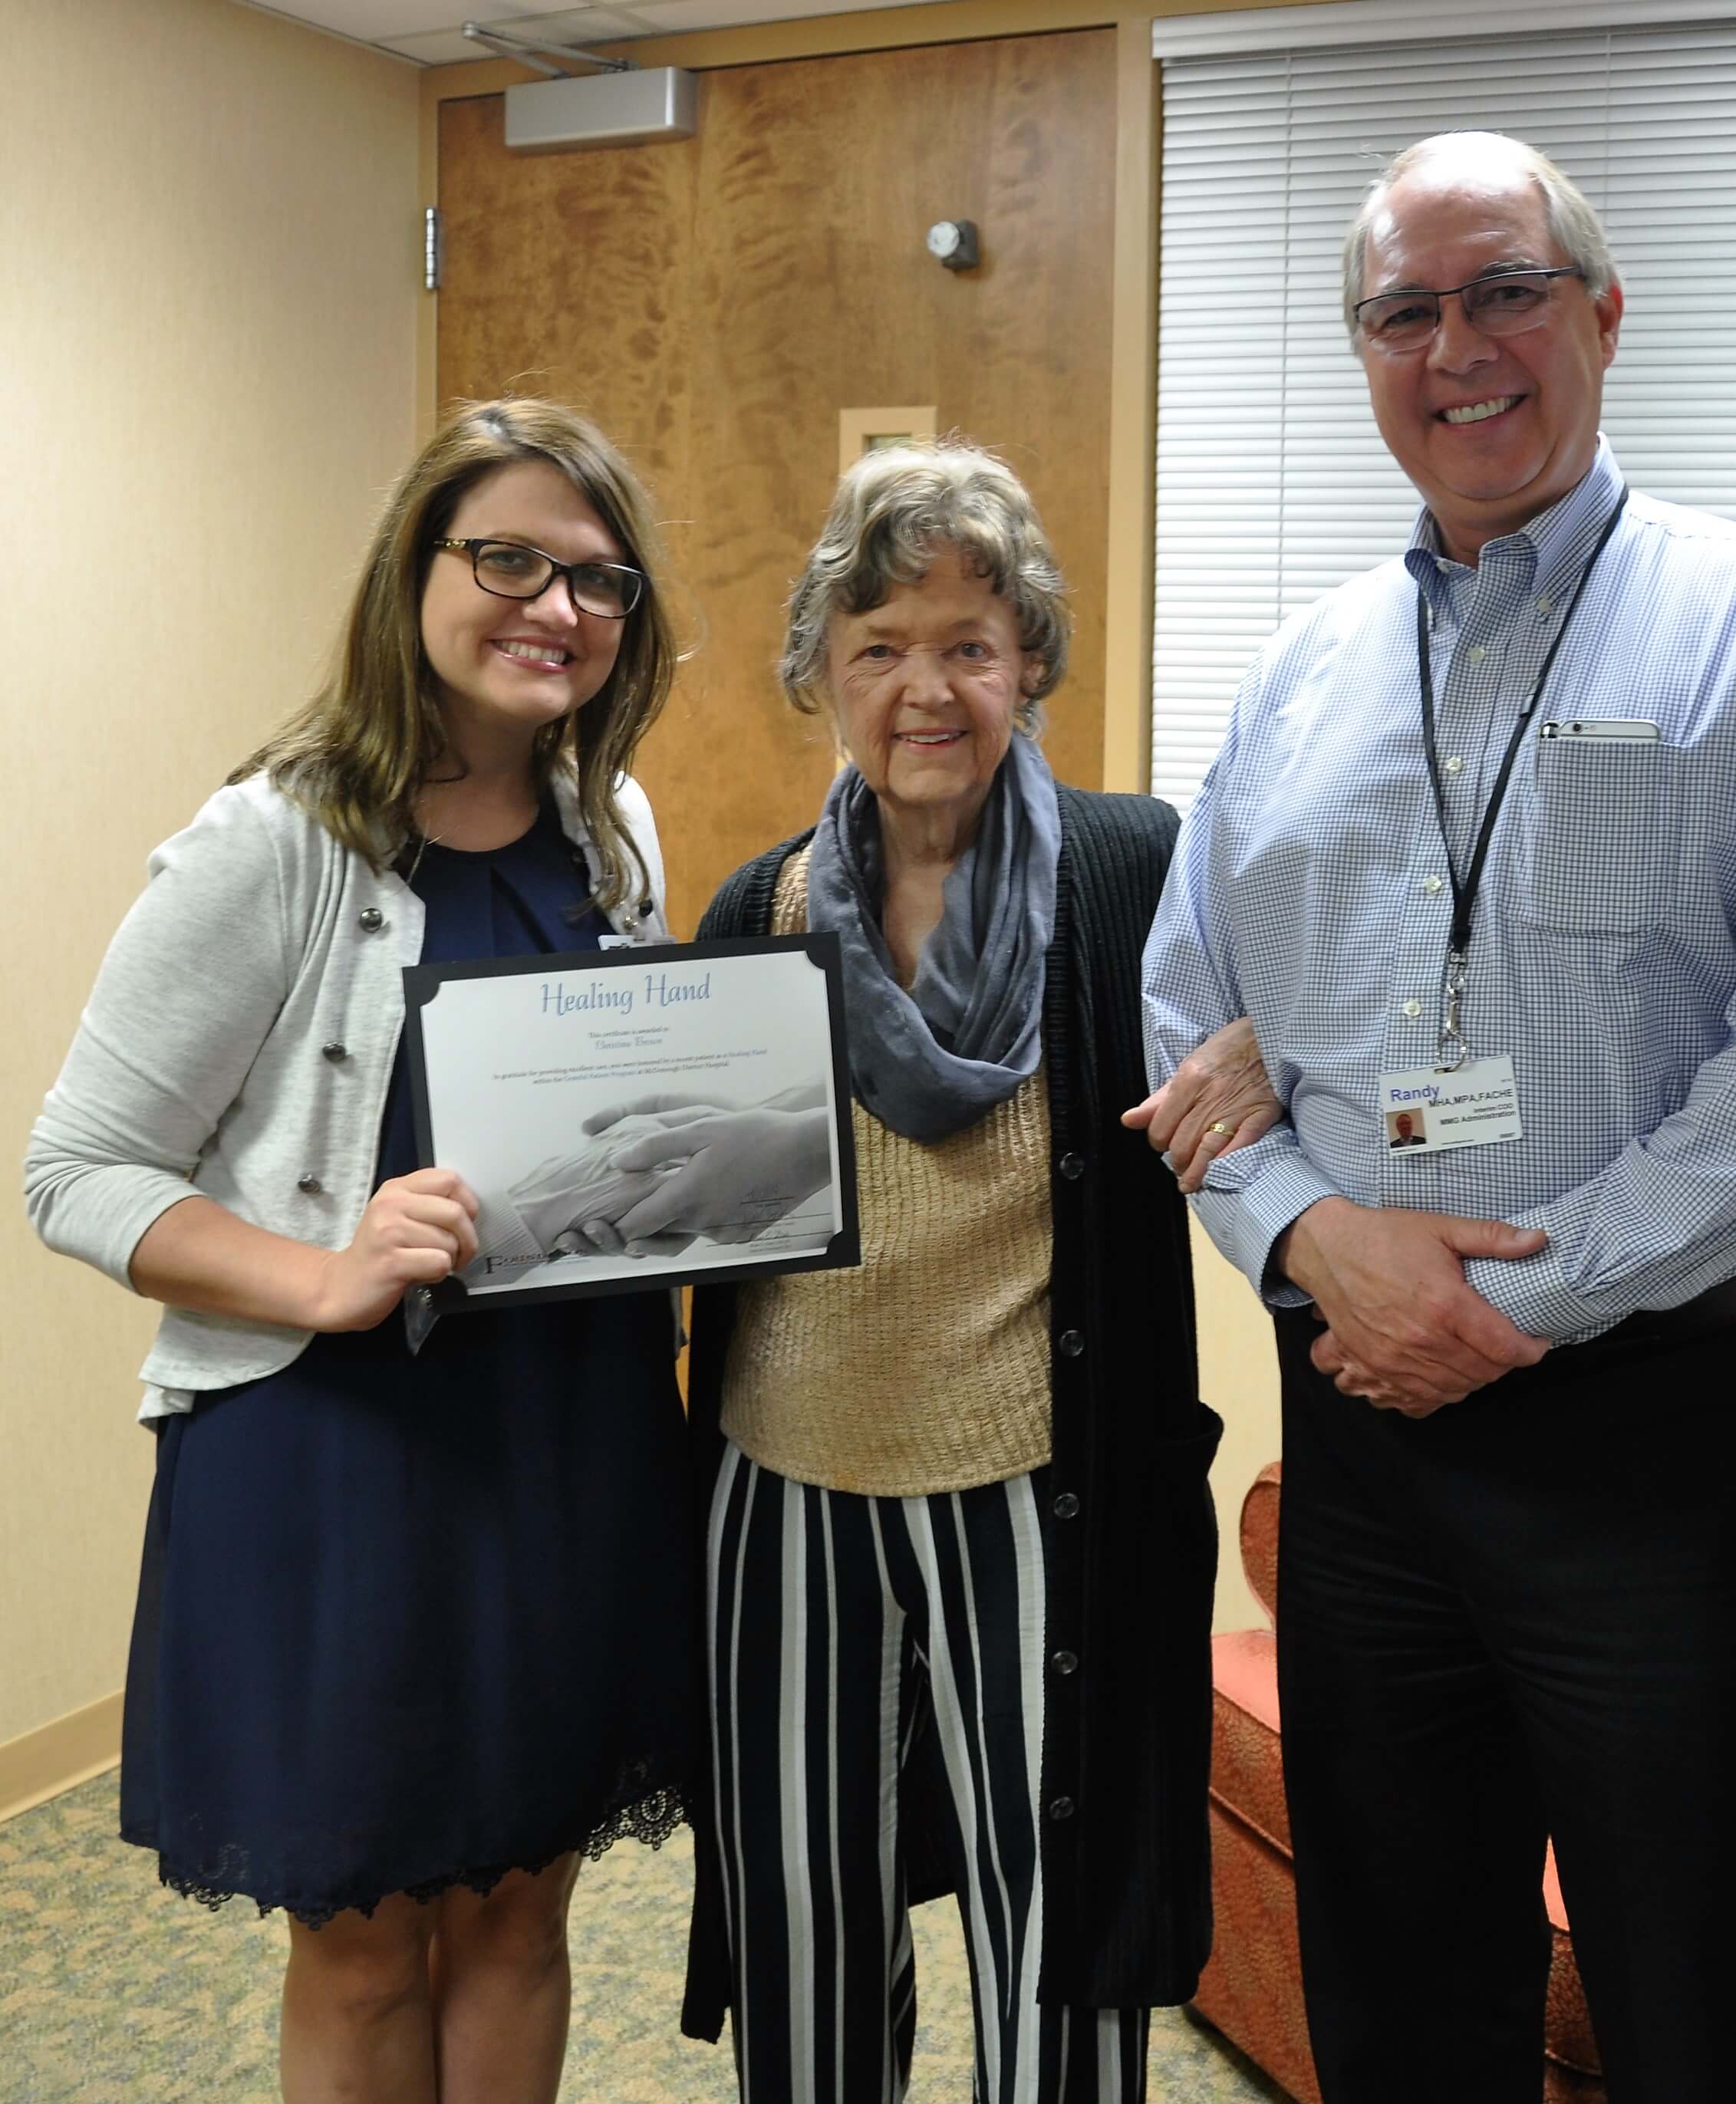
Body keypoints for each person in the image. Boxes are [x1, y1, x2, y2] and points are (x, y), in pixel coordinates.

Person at [1139, 133, 1736, 2103]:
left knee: (1717, 1990)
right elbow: (1185, 1004)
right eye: (1402, 311)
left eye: (1500, 289)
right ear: (1362, 353)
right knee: (1400, 1978)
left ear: (1598, 312)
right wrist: (1315, 1240)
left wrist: (1522, 1294)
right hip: (1364, 1438)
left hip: (1661, 1426)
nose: (1456, 346)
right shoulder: (1299, 670)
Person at [26, 399, 698, 2104]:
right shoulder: (273, 843)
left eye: (598, 581)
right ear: (414, 570)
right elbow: (79, 1171)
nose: (554, 608)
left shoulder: (613, 829)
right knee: (365, 1931)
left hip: (564, 1439)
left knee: (519, 1907)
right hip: (340, 1460)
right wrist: (324, 1268)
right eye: (510, 559)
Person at [654, 441, 1272, 2104]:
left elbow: (1303, 1018)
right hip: (781, 1498)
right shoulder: (754, 911)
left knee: (1054, 1933)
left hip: (1043, 1492)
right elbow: (678, 1200)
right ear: (820, 675)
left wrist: (1275, 1059)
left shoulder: (1135, 875)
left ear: (1027, 666)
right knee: (803, 1922)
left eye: (966, 645)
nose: (922, 688)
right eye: (876, 647)